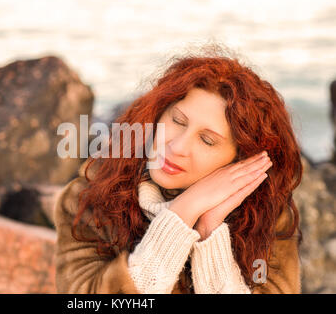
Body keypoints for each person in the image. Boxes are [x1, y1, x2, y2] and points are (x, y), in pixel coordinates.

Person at [54, 46, 303, 294]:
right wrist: (182, 213)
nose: (177, 146)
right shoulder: (94, 193)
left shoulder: (264, 215)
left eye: (207, 140)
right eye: (177, 121)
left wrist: (210, 230)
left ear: (239, 159)